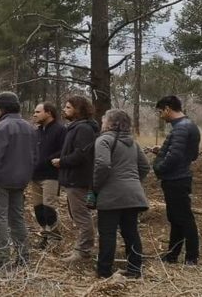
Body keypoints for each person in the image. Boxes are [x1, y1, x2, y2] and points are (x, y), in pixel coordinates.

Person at [0, 92, 37, 269]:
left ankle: (1, 259)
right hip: (20, 182)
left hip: (0, 181)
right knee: (17, 219)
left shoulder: (1, 127)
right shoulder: (29, 127)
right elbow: (34, 156)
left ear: (2, 108)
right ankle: (23, 257)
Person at [93, 109, 150, 278]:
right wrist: (132, 182)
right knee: (131, 232)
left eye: (103, 119)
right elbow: (145, 166)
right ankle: (134, 270)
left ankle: (104, 271)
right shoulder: (133, 142)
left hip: (111, 196)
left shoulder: (103, 140)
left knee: (108, 233)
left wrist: (96, 188)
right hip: (133, 195)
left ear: (111, 123)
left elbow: (102, 165)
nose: (102, 122)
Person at [150, 95, 201, 265]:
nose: (160, 115)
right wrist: (162, 151)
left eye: (160, 111)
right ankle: (172, 255)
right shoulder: (189, 126)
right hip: (179, 177)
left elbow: (175, 157)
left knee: (184, 218)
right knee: (176, 218)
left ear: (167, 109)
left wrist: (159, 167)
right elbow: (190, 154)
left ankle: (192, 258)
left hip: (176, 180)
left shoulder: (180, 128)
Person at [51, 95, 99, 263]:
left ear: (79, 110)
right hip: (73, 179)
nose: (64, 110)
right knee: (77, 215)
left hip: (78, 180)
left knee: (81, 216)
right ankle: (80, 249)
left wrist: (61, 162)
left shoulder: (83, 129)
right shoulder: (75, 128)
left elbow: (81, 155)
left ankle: (83, 252)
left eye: (69, 107)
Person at [31, 102, 67, 249]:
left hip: (51, 175)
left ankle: (55, 239)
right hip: (35, 175)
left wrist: (47, 160)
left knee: (49, 208)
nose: (34, 114)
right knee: (39, 210)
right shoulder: (37, 131)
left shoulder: (60, 130)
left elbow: (64, 150)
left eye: (38, 112)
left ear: (49, 113)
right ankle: (45, 237)